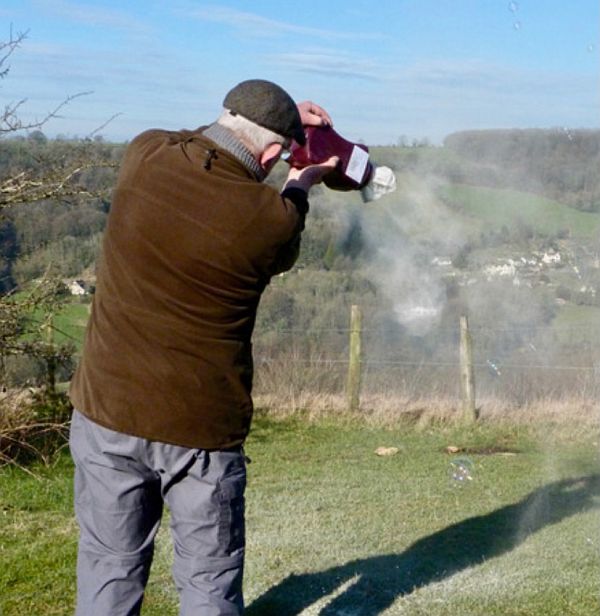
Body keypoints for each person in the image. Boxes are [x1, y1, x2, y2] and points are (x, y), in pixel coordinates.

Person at [68, 79, 338, 616]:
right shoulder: (269, 221)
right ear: (269, 155)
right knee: (208, 583)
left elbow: (200, 139)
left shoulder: (144, 154)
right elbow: (288, 212)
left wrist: (272, 121)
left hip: (107, 410)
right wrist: (300, 176)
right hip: (200, 429)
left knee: (108, 567)